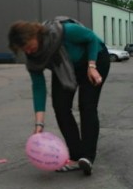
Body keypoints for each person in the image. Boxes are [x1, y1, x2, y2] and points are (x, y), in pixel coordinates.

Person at [7, 16, 110, 176]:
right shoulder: (33, 58)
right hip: (64, 68)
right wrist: (39, 125)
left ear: (35, 35)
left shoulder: (64, 31)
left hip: (94, 57)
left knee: (87, 105)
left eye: (27, 46)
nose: (27, 51)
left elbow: (91, 38)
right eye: (23, 49)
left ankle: (88, 157)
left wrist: (92, 65)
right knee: (61, 107)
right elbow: (39, 87)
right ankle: (76, 157)